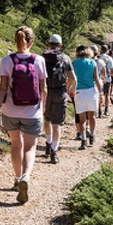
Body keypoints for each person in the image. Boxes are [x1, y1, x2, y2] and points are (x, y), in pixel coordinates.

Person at [0, 26, 47, 204]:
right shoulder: (39, 60)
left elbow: (2, 88)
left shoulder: (7, 61)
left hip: (10, 110)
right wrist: (43, 109)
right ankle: (26, 177)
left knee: (16, 144)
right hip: (33, 111)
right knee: (30, 146)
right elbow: (43, 88)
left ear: (16, 40)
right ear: (32, 42)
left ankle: (17, 179)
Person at [42, 34, 77, 164]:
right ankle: (54, 152)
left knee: (47, 119)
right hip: (60, 92)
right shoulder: (66, 58)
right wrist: (69, 89)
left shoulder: (41, 57)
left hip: (45, 91)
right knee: (57, 124)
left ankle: (48, 142)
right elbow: (73, 78)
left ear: (48, 44)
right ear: (60, 45)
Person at [73, 45, 102, 150]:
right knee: (92, 116)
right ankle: (92, 136)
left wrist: (70, 89)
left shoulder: (74, 63)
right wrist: (101, 93)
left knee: (82, 118)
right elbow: (97, 79)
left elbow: (72, 78)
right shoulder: (93, 63)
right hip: (91, 91)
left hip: (79, 91)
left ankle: (83, 140)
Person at [90, 45, 107, 119]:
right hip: (99, 80)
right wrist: (104, 79)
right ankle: (99, 110)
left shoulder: (88, 61)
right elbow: (104, 73)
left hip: (90, 81)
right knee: (99, 96)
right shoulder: (101, 62)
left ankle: (91, 111)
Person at [99, 44, 113, 117]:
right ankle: (106, 110)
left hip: (98, 79)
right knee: (107, 95)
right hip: (108, 79)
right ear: (107, 50)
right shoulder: (110, 58)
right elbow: (112, 70)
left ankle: (99, 111)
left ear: (101, 50)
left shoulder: (97, 57)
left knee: (99, 95)